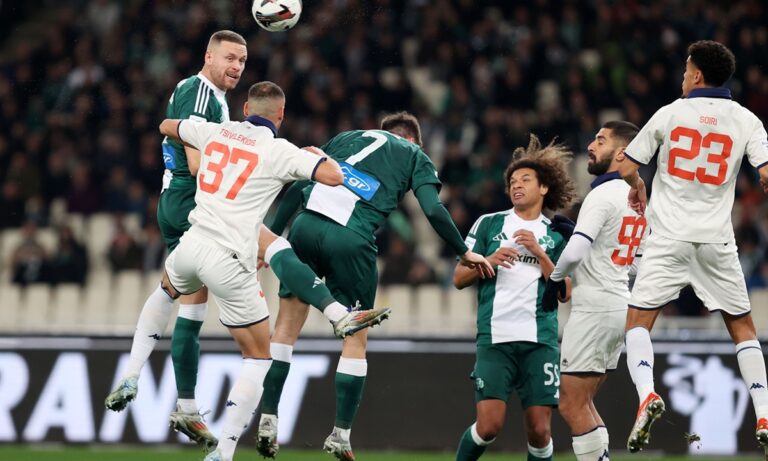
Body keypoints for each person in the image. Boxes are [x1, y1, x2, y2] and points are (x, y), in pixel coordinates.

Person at [104, 31, 387, 450]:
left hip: (192, 227)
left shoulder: (218, 119)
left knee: (182, 297)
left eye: (242, 60)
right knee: (276, 253)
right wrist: (298, 159)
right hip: (197, 208)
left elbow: (168, 127)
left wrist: (212, 139)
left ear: (247, 109)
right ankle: (335, 314)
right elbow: (198, 166)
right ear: (208, 56)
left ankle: (170, 395)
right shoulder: (209, 99)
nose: (236, 66)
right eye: (230, 58)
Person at [255, 111, 494, 461]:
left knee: (286, 327)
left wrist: (272, 238)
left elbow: (298, 187)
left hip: (304, 226)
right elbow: (433, 209)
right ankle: (340, 434)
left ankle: (268, 418)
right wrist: (463, 251)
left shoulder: (346, 138)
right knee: (355, 337)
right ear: (413, 140)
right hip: (351, 239)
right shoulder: (414, 155)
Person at [158, 81, 344, 461]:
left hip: (192, 244)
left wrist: (191, 138)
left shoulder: (216, 131)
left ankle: (163, 387)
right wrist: (318, 155)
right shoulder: (279, 150)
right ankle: (223, 452)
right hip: (231, 258)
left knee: (173, 299)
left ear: (245, 109)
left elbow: (167, 125)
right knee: (258, 357)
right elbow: (334, 176)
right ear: (281, 115)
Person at [617, 40, 768, 453]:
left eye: (686, 70)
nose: (683, 77)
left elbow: (627, 165)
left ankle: (647, 395)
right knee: (743, 329)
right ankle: (764, 414)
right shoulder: (747, 120)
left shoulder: (670, 113)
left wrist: (637, 185)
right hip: (717, 240)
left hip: (668, 237)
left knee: (637, 323)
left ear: (697, 75)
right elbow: (766, 173)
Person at [452, 134, 575, 461]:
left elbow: (565, 292)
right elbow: (459, 278)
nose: (516, 185)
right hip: (496, 338)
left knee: (540, 431)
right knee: (488, 426)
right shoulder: (489, 224)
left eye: (525, 179)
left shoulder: (555, 234)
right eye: (512, 182)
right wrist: (489, 260)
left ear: (544, 188)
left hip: (540, 340)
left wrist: (540, 254)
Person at [542, 121, 643, 461]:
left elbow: (575, 253)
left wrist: (554, 280)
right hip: (618, 307)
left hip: (594, 310)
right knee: (583, 402)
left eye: (601, 141)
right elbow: (634, 262)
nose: (591, 145)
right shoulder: (637, 199)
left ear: (621, 153)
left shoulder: (601, 194)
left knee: (570, 403)